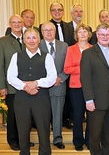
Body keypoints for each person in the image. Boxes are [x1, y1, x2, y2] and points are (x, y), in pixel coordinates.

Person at [7, 28, 57, 155]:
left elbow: (52, 77)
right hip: (22, 99)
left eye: (34, 37)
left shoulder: (47, 57)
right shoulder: (16, 56)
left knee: (43, 128)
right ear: (24, 41)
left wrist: (36, 83)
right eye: (28, 38)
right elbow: (11, 77)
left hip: (41, 98)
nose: (31, 41)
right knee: (22, 130)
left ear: (39, 40)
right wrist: (25, 87)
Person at [80, 23, 109, 155]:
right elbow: (85, 79)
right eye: (102, 34)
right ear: (97, 36)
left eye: (107, 34)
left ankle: (107, 152)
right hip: (96, 102)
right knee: (95, 133)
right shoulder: (88, 53)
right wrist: (89, 100)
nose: (105, 37)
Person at [0, 14, 35, 151]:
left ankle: (24, 140)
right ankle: (13, 140)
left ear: (23, 23)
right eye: (13, 22)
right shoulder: (3, 42)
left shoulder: (29, 39)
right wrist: (2, 86)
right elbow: (1, 66)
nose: (17, 24)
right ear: (10, 24)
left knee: (26, 115)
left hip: (28, 85)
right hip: (12, 87)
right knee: (14, 115)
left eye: (19, 22)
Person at [39, 21, 69, 149]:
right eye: (46, 30)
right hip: (42, 87)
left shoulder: (64, 46)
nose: (49, 32)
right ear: (42, 32)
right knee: (42, 115)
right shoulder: (36, 45)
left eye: (51, 30)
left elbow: (67, 66)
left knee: (58, 114)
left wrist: (60, 78)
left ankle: (57, 138)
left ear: (55, 31)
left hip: (59, 85)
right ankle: (44, 139)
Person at [64, 24, 92, 151]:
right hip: (76, 87)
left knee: (91, 115)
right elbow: (67, 69)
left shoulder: (94, 49)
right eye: (80, 31)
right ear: (76, 35)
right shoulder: (71, 49)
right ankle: (78, 141)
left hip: (92, 87)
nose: (82, 34)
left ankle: (90, 140)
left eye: (85, 31)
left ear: (89, 34)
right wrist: (84, 69)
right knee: (77, 115)